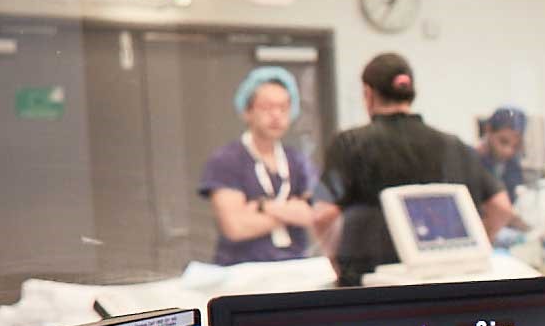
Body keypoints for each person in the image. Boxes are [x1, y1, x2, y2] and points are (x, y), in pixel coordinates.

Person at [312, 53, 512, 286]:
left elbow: (323, 215)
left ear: (368, 93)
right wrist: (475, 251)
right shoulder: (453, 146)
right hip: (445, 284)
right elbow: (501, 207)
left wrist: (340, 267)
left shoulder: (349, 145)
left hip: (371, 289)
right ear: (410, 92)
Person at [198, 66, 317, 265]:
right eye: (267, 107)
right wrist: (290, 211)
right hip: (242, 273)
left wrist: (262, 207)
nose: (276, 115)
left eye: (284, 108)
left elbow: (315, 215)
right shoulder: (226, 160)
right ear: (247, 111)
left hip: (295, 269)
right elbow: (235, 227)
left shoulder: (297, 160)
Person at [476, 106, 527, 195]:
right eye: (503, 141)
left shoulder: (514, 166)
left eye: (516, 146)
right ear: (488, 129)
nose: (508, 151)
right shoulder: (471, 162)